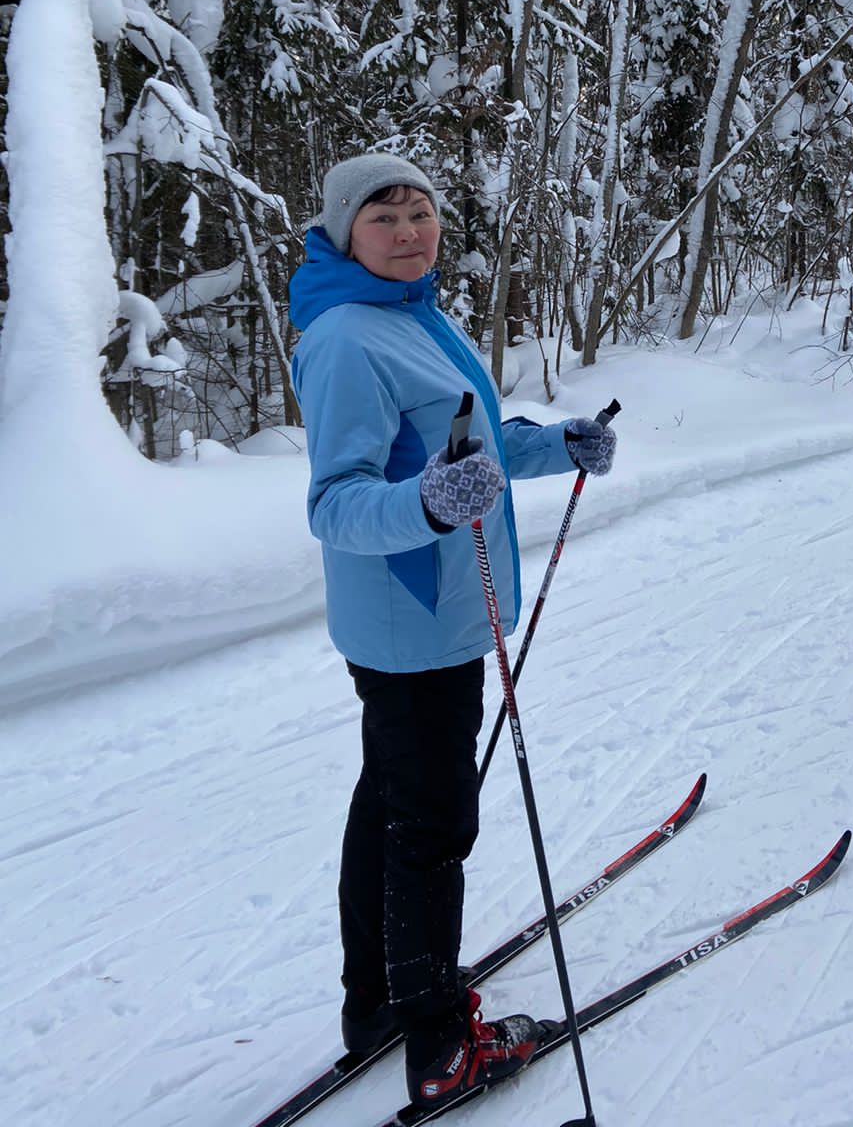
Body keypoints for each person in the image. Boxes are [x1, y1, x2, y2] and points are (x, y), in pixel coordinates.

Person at [287, 152, 617, 1110]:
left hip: (432, 616)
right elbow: (337, 505)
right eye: (383, 215)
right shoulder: (349, 337)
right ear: (346, 231)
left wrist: (557, 444)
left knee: (389, 802)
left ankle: (379, 1004)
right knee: (434, 825)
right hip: (413, 622)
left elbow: (466, 443)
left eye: (421, 210)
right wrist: (431, 506)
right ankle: (438, 1046)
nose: (408, 229)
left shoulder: (412, 313)